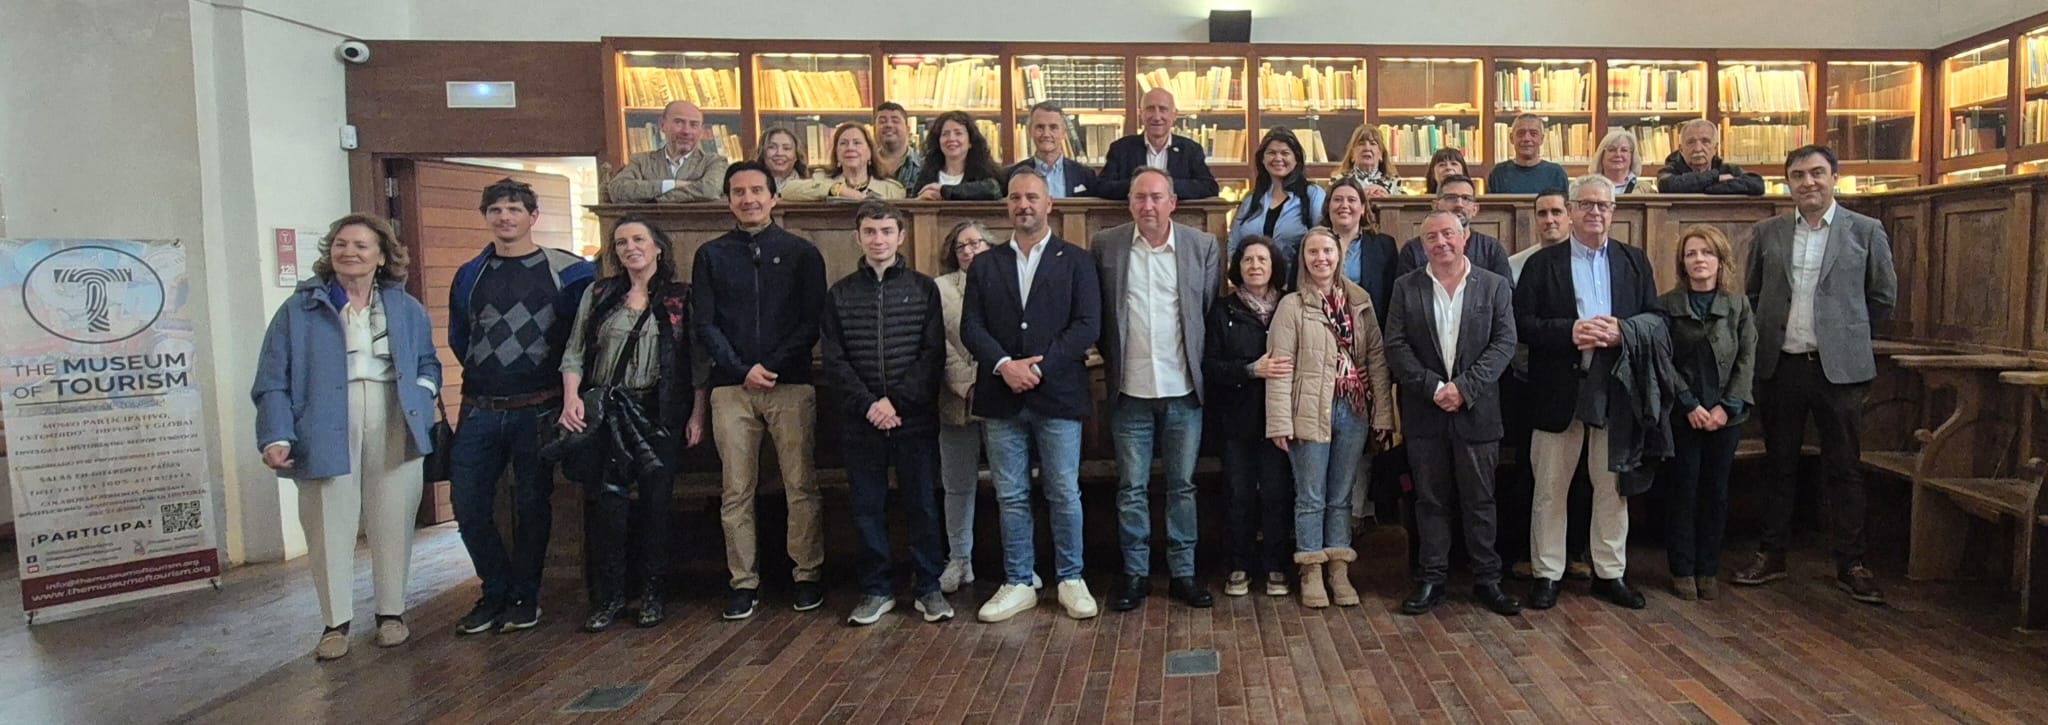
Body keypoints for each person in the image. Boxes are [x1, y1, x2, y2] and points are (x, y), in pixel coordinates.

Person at [253, 213, 440, 660]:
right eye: (341, 244)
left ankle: (391, 614)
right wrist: (276, 434)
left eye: (360, 245)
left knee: (394, 517)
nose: (349, 252)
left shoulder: (406, 308)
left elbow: (428, 362)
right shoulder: (298, 310)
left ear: (381, 256)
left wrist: (422, 393)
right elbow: (272, 379)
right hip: (322, 422)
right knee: (326, 520)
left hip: (394, 414)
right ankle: (334, 623)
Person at [1735, 145, 1896, 604]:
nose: (1808, 182)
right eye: (1798, 175)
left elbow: (1882, 297)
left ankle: (1852, 564)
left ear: (1834, 177)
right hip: (1781, 364)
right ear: (1788, 183)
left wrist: (1844, 334)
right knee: (1778, 466)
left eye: (1817, 173)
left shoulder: (1865, 231)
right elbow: (1752, 295)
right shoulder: (1768, 232)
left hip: (1839, 370)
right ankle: (1771, 555)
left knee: (1844, 468)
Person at [446, 180, 596, 635]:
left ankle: (525, 597)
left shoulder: (569, 272)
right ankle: (494, 590)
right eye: (495, 209)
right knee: (468, 505)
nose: (504, 217)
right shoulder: (470, 274)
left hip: (539, 407)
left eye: (514, 209)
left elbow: (582, 335)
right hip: (479, 408)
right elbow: (460, 336)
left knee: (533, 505)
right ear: (485, 217)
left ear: (533, 216)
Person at [1514, 174, 1661, 611]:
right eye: (1587, 204)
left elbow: (1656, 319)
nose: (1595, 212)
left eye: (1604, 205)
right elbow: (1521, 324)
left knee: (1612, 487)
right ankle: (1547, 573)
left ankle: (1609, 573)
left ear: (1614, 212)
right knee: (1550, 487)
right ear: (1572, 210)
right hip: (1558, 389)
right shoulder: (1543, 264)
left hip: (1616, 389)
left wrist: (1623, 331)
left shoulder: (1634, 261)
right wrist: (1570, 332)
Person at [961, 168, 1102, 622]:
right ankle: (1019, 580)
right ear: (1007, 205)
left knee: (1063, 491)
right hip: (1001, 396)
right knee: (1011, 495)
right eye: (1016, 198)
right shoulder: (985, 264)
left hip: (1058, 394)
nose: (1024, 205)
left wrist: (1038, 367)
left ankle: (1071, 578)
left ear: (1049, 204)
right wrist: (1005, 365)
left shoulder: (1076, 260)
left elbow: (1087, 326)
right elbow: (971, 327)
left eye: (1032, 197)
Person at [554, 216, 707, 632]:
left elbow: (696, 361)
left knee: (657, 506)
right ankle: (609, 598)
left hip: (659, 411)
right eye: (621, 242)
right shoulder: (599, 294)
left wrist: (697, 413)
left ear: (658, 247)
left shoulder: (680, 298)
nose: (630, 248)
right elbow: (574, 351)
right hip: (607, 412)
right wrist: (571, 398)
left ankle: (653, 595)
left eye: (639, 239)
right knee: (608, 506)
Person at [693, 162, 829, 620]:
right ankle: (743, 581)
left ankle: (806, 574)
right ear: (728, 200)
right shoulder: (711, 254)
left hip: (790, 382)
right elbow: (705, 323)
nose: (748, 199)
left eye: (756, 190)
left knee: (800, 484)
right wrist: (741, 369)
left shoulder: (801, 252)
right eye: (738, 192)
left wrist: (770, 366)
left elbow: (812, 320)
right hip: (731, 388)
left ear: (774, 197)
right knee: (735, 489)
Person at [1094, 167, 1222, 612]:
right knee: (1131, 487)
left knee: (1182, 486)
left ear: (1173, 203)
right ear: (1130, 202)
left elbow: (1205, 311)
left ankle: (1184, 572)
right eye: (1139, 197)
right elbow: (1102, 315)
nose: (1147, 206)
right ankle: (1135, 573)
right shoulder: (1106, 245)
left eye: (1156, 197)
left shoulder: (1201, 246)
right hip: (1129, 391)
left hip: (1183, 389)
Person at [1382, 210, 1522, 617]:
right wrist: (1433, 387)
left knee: (1480, 500)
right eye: (1431, 237)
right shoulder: (1406, 287)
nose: (1440, 242)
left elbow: (1504, 343)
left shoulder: (1493, 285)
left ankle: (1488, 579)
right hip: (1425, 412)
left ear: (1465, 237)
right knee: (1430, 500)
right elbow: (1396, 345)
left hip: (1477, 412)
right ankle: (1432, 578)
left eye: (1448, 234)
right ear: (1422, 245)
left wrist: (1464, 388)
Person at [820, 200, 951, 625]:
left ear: (901, 236)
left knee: (923, 503)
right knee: (867, 507)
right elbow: (834, 359)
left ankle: (928, 586)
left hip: (912, 416)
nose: (879, 240)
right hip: (861, 419)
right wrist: (870, 404)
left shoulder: (923, 288)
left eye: (887, 231)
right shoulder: (840, 293)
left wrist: (896, 402)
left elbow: (932, 355)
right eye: (870, 232)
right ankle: (876, 589)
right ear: (858, 238)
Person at [1265, 227, 1395, 609]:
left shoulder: (1360, 301)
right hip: (1308, 409)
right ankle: (1311, 570)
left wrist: (1382, 415)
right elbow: (1279, 368)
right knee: (1311, 496)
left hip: (1352, 411)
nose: (1321, 258)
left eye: (1327, 251)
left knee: (1342, 497)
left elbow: (1376, 360)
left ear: (1339, 256)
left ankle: (1339, 569)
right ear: (1303, 259)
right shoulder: (1291, 305)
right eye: (1313, 252)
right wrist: (1279, 422)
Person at [1657, 224, 1756, 602]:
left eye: (1707, 253)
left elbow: (1747, 358)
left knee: (1715, 492)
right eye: (1691, 254)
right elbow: (1662, 361)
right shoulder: (1666, 305)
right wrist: (1689, 404)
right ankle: (1682, 568)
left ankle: (1708, 568)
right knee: (1683, 490)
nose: (1699, 259)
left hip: (1726, 416)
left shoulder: (1738, 306)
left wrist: (1727, 408)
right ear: (1682, 263)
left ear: (1720, 260)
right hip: (1683, 414)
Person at [1207, 235, 1296, 598]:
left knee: (1276, 493)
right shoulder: (1223, 310)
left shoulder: (1290, 305)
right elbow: (1211, 366)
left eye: (1262, 259)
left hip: (1280, 418)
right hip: (1237, 418)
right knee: (1239, 494)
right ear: (1238, 267)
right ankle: (1239, 565)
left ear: (1274, 266)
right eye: (1247, 260)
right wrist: (1250, 370)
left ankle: (1276, 565)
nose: (1255, 266)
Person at [935, 221, 993, 594]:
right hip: (956, 399)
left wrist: (987, 381)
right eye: (961, 246)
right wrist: (966, 383)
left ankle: (1017, 564)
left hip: (1000, 397)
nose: (969, 251)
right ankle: (959, 560)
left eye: (976, 243)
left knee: (1011, 486)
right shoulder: (939, 288)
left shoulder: (1007, 282)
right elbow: (937, 342)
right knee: (956, 485)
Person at [1228, 128, 1328, 270]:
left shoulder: (1312, 195)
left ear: (1297, 159)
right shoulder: (1251, 199)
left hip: (1296, 280)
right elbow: (1234, 244)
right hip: (1255, 279)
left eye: (1285, 153)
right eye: (1271, 153)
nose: (1278, 158)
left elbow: (1323, 240)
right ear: (1262, 159)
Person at [1096, 88, 1221, 201]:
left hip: (1178, 217)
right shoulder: (1121, 148)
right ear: (1141, 114)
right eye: (1150, 109)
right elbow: (1101, 187)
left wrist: (1166, 185)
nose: (1157, 117)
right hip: (1131, 217)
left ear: (1174, 115)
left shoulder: (1190, 150)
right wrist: (1140, 185)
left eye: (1163, 109)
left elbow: (1209, 187)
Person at [606, 100, 732, 203]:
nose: (686, 131)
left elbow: (710, 190)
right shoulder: (641, 161)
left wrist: (654, 199)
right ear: (662, 125)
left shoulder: (714, 162)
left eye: (693, 125)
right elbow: (617, 189)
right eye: (679, 123)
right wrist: (672, 184)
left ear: (701, 131)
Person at [1395, 175, 1513, 281]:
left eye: (1466, 198)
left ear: (1475, 209)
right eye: (1451, 198)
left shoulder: (1492, 249)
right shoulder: (1413, 250)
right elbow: (1404, 293)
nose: (1459, 204)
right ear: (1435, 206)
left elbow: (1505, 292)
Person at [1324, 177, 1399, 329]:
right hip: (1321, 330)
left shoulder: (1384, 246)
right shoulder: (1310, 244)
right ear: (1328, 206)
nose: (1344, 205)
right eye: (1338, 200)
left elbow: (1392, 300)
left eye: (1351, 200)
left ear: (1363, 208)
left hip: (1369, 330)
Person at [780, 122, 908, 202]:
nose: (850, 148)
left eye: (857, 143)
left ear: (870, 152)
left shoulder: (892, 189)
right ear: (836, 153)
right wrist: (838, 190)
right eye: (843, 143)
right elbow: (786, 190)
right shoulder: (821, 179)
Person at [1008, 101, 1100, 198]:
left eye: (1053, 127)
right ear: (1030, 131)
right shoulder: (1012, 174)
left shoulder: (1085, 175)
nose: (1046, 134)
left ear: (1064, 133)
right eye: (1040, 127)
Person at [1657, 119, 1766, 196]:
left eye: (1705, 141)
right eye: (1691, 142)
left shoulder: (1726, 169)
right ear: (1681, 149)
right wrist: (1715, 178)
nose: (1698, 148)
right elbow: (1666, 185)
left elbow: (1756, 184)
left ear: (1715, 148)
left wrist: (1709, 188)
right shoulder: (1670, 170)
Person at [912, 110, 1002, 201]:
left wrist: (944, 191)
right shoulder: (927, 174)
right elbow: (913, 201)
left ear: (970, 141)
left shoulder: (984, 173)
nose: (951, 138)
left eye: (958, 133)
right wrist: (920, 200)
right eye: (945, 134)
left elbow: (993, 190)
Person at [1487, 114, 1571, 194]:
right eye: (1521, 133)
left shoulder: (1556, 174)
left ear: (1542, 139)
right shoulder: (1498, 173)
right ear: (1511, 138)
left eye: (1533, 134)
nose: (1527, 138)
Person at [1330, 124, 1401, 197]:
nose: (1367, 148)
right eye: (1361, 144)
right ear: (1352, 154)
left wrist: (1386, 197)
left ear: (1381, 154)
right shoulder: (1338, 180)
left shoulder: (1394, 181)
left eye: (1373, 144)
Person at [874, 102, 922, 190]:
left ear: (908, 129)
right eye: (882, 121)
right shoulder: (865, 165)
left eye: (895, 121)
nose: (888, 125)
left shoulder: (924, 166)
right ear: (875, 130)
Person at [1594, 129, 1643, 194]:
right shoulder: (1587, 188)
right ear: (1601, 155)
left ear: (1632, 156)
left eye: (1624, 150)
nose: (1618, 154)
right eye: (1612, 150)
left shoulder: (1645, 189)